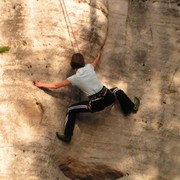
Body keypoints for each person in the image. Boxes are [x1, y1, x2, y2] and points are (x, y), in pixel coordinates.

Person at [34, 52, 140, 143]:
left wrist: (41, 84)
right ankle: (130, 108)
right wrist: (98, 56)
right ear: (83, 62)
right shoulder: (89, 67)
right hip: (109, 96)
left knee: (71, 109)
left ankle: (67, 136)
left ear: (72, 65)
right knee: (116, 90)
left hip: (96, 104)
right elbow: (95, 63)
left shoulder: (74, 78)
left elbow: (56, 86)